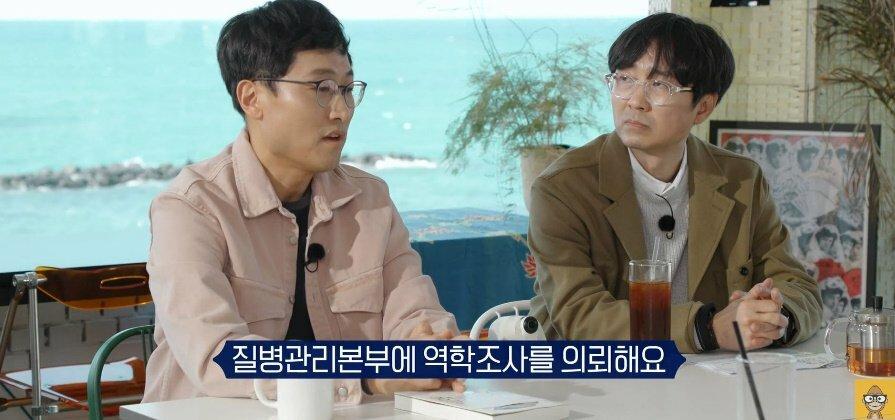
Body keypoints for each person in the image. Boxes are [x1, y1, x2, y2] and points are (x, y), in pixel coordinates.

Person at [143, 0, 462, 404]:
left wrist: (429, 347)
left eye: (347, 89)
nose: (341, 111)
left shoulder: (370, 201)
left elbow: (414, 313)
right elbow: (221, 357)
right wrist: (367, 377)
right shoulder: (191, 208)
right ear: (252, 98)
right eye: (321, 88)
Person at [527, 13, 822, 353]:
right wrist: (706, 329)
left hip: (709, 375)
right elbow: (580, 316)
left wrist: (772, 317)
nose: (635, 101)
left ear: (703, 107)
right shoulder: (562, 188)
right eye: (625, 79)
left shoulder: (741, 180)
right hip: (591, 375)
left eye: (659, 86)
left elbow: (797, 286)